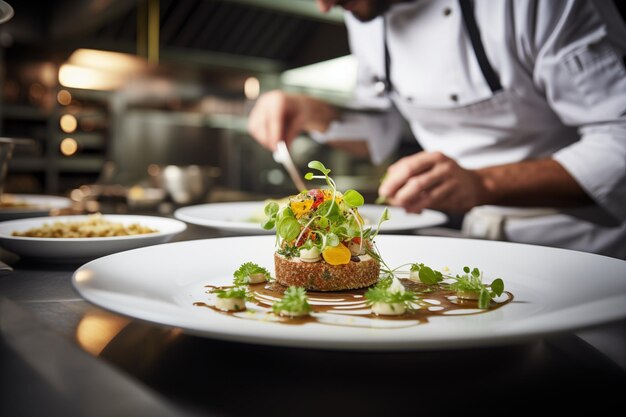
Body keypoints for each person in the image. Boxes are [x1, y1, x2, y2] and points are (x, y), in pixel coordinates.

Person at [247, 0, 626, 260]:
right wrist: (314, 113)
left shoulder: (538, 6)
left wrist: (484, 184)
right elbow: (382, 128)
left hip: (581, 241)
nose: (325, 5)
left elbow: (618, 141)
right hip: (471, 239)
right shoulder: (364, 13)